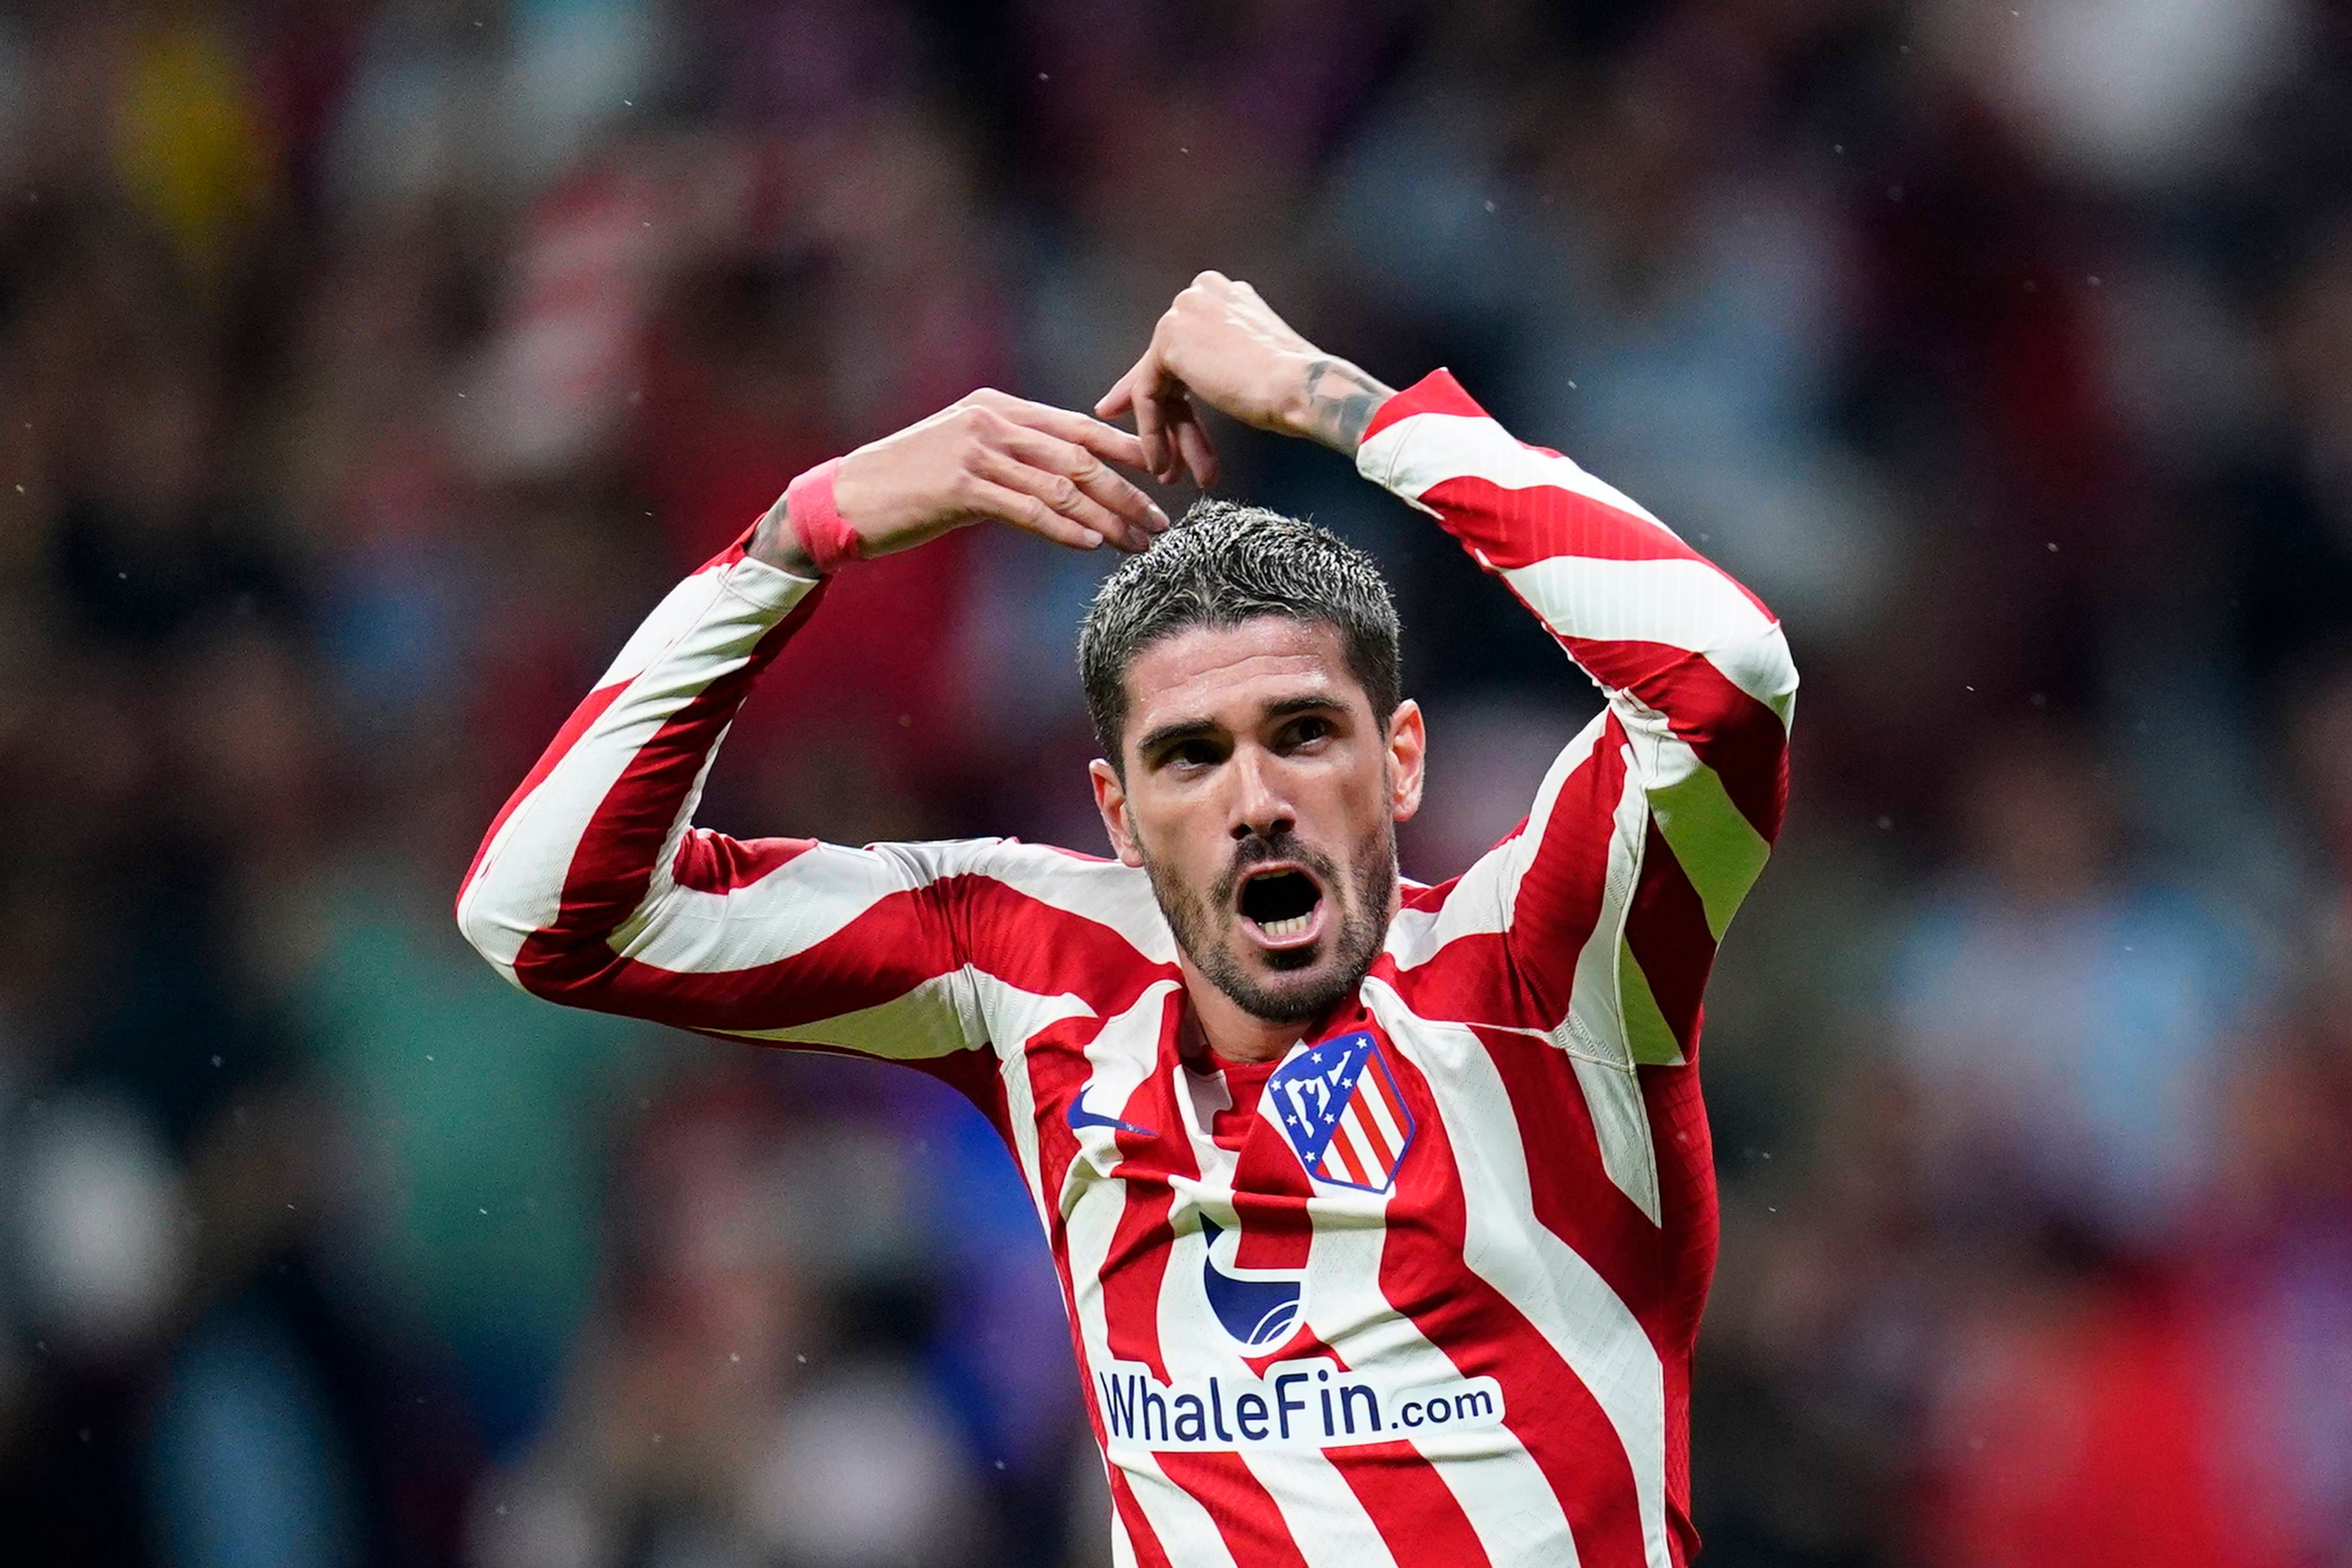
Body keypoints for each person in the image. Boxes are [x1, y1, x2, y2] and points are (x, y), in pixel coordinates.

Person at [457, 272, 1798, 1567]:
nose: (1257, 797)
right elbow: (541, 912)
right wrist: (800, 533)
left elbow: (1724, 676)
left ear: (1399, 760)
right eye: (1190, 755)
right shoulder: (1026, 970)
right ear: (1114, 806)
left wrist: (1344, 407)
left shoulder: (1544, 966)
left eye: (1303, 733)